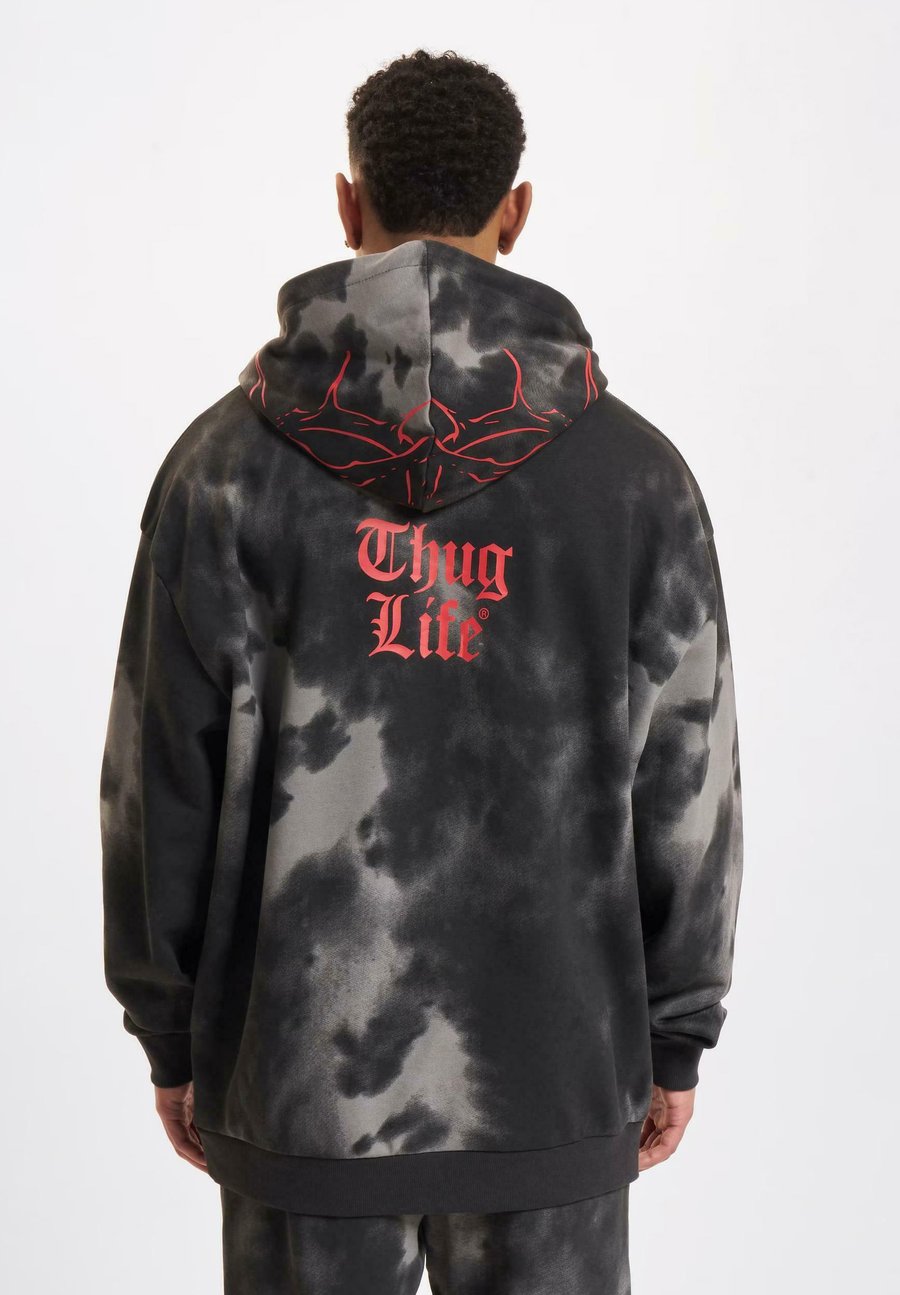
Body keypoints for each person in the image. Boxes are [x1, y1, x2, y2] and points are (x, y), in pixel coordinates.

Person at [100, 47, 744, 1294]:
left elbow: (156, 773)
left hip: (299, 1087)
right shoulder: (638, 479)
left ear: (349, 206)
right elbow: (690, 778)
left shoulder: (220, 470)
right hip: (551, 1083)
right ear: (518, 210)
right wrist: (678, 1030)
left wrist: (170, 1027)